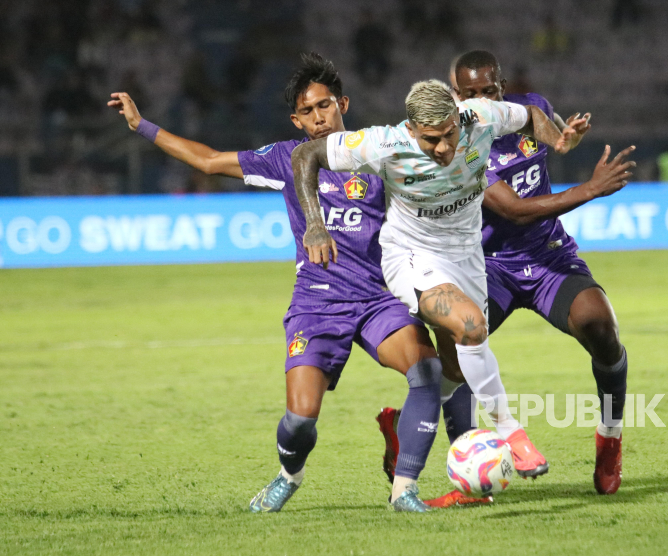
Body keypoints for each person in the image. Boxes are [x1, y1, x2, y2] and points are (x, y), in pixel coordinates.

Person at [107, 53, 444, 513]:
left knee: (426, 372)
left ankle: (404, 489)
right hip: (316, 304)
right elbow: (207, 161)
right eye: (307, 112)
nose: (318, 117)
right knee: (300, 421)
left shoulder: (376, 155)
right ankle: (290, 474)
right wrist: (142, 126)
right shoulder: (286, 158)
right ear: (296, 120)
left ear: (343, 103)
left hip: (376, 300)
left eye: (325, 105)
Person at [291, 76, 593, 485]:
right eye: (432, 140)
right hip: (410, 256)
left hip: (467, 256)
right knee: (470, 326)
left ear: (458, 117)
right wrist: (314, 223)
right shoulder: (383, 143)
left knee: (455, 367)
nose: (445, 148)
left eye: (450, 134)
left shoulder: (480, 116)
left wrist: (558, 139)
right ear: (412, 130)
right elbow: (305, 156)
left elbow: (531, 116)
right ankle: (512, 433)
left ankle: (403, 430)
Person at [378, 50, 635, 507]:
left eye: (489, 90)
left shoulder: (522, 108)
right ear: (455, 95)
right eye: (470, 93)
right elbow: (513, 210)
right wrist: (589, 189)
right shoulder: (460, 144)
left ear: (501, 86)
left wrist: (563, 140)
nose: (480, 99)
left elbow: (543, 121)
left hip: (547, 255)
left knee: (602, 327)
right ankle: (409, 437)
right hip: (486, 265)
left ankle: (609, 440)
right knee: (455, 365)